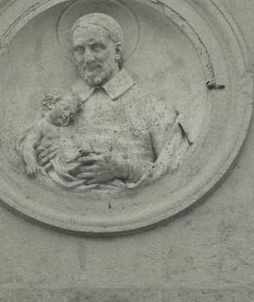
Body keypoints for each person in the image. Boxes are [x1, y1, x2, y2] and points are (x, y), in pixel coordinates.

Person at [21, 12, 190, 189]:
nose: (87, 58)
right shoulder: (60, 107)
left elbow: (174, 170)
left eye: (96, 47)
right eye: (79, 50)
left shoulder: (153, 108)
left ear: (117, 51)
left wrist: (126, 169)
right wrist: (47, 159)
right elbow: (32, 150)